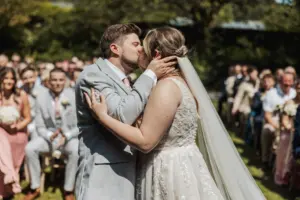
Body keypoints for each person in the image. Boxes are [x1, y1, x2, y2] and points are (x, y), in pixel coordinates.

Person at [85, 27, 265, 200]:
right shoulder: (178, 82)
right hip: (183, 163)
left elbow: (145, 141)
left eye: (143, 48)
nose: (139, 51)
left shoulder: (167, 87)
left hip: (168, 171)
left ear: (155, 55)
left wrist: (103, 118)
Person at [74, 24, 177, 200]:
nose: (141, 49)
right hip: (104, 175)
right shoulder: (92, 75)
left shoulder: (131, 80)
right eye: (136, 44)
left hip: (133, 170)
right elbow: (121, 116)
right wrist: (150, 74)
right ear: (115, 49)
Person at [24, 68, 79, 200]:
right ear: (48, 81)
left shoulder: (74, 96)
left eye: (60, 80)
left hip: (69, 137)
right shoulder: (41, 98)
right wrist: (49, 135)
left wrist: (68, 135)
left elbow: (81, 124)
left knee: (76, 150)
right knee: (30, 148)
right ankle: (35, 186)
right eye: (54, 80)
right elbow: (39, 125)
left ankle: (68, 190)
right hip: (49, 138)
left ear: (64, 81)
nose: (57, 83)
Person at [0, 67, 31, 199]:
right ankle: (10, 177)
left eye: (12, 78)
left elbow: (28, 117)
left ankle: (8, 180)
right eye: (6, 78)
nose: (9, 81)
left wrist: (17, 126)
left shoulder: (21, 95)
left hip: (18, 133)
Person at [261, 72, 296, 169]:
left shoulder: (295, 93)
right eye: (285, 81)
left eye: (290, 81)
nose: (287, 84)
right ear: (280, 81)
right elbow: (267, 115)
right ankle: (265, 160)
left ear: (293, 82)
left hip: (290, 123)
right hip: (273, 121)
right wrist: (277, 127)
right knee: (267, 131)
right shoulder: (271, 94)